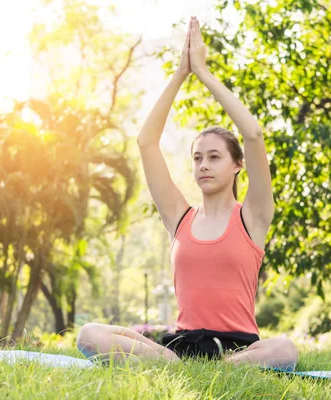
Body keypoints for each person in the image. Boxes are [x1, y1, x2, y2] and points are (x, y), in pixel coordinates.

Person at [76, 16, 298, 371]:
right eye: (197, 158)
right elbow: (146, 142)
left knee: (285, 349)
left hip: (238, 349)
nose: (203, 166)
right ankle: (180, 366)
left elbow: (253, 135)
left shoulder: (252, 216)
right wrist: (181, 73)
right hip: (179, 347)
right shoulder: (179, 216)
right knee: (89, 333)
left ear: (237, 165)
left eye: (214, 157)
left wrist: (204, 74)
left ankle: (219, 368)